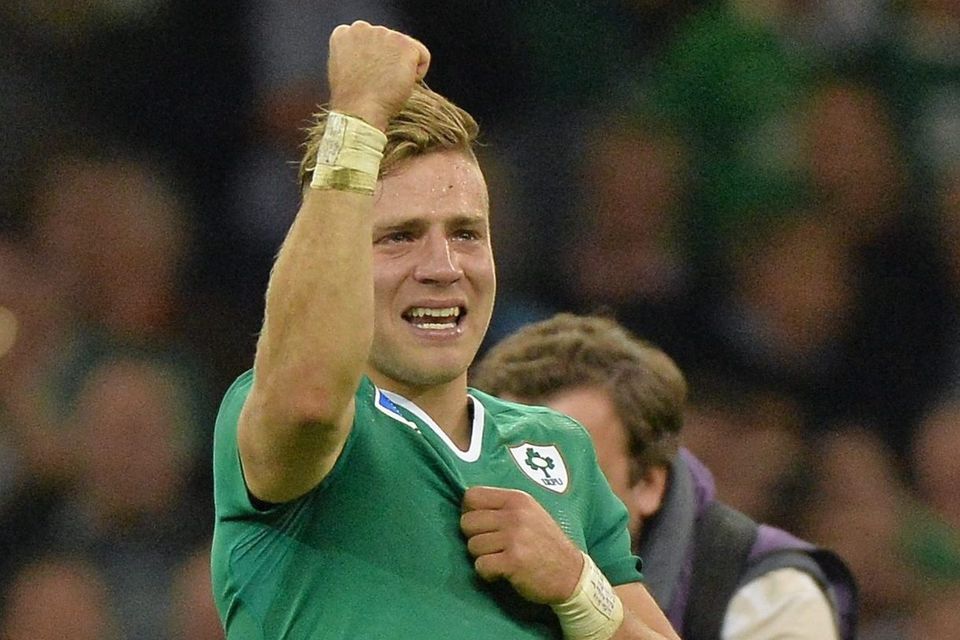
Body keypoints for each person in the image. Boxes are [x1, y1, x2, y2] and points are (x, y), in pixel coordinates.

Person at [210, 21, 679, 640]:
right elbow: (309, 396)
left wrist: (577, 587)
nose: (443, 268)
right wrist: (356, 114)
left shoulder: (560, 447)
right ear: (338, 259)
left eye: (465, 233)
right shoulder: (288, 419)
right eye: (400, 237)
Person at [471, 313, 859, 640]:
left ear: (649, 484)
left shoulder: (774, 596)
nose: (537, 507)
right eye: (518, 473)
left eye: (570, 478)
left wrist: (581, 594)